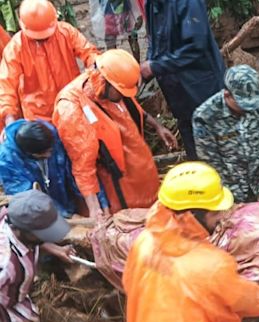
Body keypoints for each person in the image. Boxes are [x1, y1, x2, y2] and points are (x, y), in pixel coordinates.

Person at [123, 162, 259, 322]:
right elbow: (251, 302)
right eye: (215, 211)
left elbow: (130, 284)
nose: (221, 217)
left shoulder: (143, 242)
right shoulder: (214, 264)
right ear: (192, 215)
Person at [53, 49, 177, 218]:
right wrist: (95, 209)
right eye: (121, 92)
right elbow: (83, 167)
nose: (123, 96)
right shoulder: (71, 108)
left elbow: (132, 107)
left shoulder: (113, 87)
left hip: (142, 171)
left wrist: (157, 126)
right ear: (104, 81)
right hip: (117, 185)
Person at [0, 189, 72, 322]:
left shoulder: (8, 217)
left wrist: (56, 250)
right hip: (6, 312)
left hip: (11, 295)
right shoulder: (6, 265)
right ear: (23, 230)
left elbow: (34, 241)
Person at [140, 0, 226, 159]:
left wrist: (155, 66)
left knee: (217, 155)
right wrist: (147, 66)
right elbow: (154, 43)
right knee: (195, 157)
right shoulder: (151, 4)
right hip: (179, 97)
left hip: (203, 92)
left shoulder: (187, 3)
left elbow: (195, 47)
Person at [0, 0, 99, 128]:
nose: (43, 40)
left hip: (73, 105)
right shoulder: (15, 48)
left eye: (46, 37)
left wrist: (98, 69)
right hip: (39, 119)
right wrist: (9, 118)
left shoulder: (66, 32)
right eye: (37, 38)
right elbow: (6, 86)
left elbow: (89, 53)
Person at [193, 65, 259, 203]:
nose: (249, 108)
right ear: (227, 94)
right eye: (243, 104)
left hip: (258, 188)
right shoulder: (205, 117)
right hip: (225, 193)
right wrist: (231, 199)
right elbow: (211, 163)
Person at [0, 119, 108, 218]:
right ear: (30, 154)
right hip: (40, 216)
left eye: (51, 150)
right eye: (45, 153)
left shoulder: (50, 134)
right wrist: (67, 215)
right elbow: (29, 198)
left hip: (65, 199)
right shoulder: (8, 161)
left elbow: (76, 169)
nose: (50, 154)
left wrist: (99, 203)